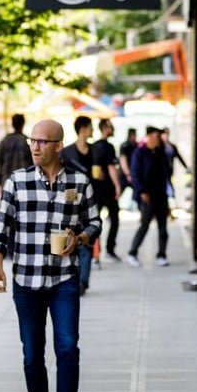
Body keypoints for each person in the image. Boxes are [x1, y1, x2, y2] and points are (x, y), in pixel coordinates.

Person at [0, 119, 100, 392]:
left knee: (67, 348)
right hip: (26, 280)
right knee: (32, 353)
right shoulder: (17, 182)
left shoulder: (79, 181)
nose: (34, 147)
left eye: (42, 141)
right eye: (32, 141)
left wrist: (79, 237)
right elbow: (0, 227)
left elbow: (95, 221)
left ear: (57, 146)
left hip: (64, 278)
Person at [60, 116, 97, 292]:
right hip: (73, 200)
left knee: (89, 235)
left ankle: (83, 280)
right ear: (83, 128)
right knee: (73, 235)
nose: (93, 130)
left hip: (93, 197)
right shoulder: (67, 153)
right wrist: (70, 202)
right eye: (91, 127)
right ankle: (73, 276)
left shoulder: (95, 150)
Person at [126, 126, 171, 267]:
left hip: (161, 195)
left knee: (163, 227)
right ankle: (132, 252)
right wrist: (142, 192)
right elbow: (135, 173)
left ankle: (162, 254)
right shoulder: (140, 153)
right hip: (147, 196)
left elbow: (167, 171)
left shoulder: (161, 152)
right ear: (150, 137)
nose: (160, 139)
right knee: (144, 225)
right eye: (158, 136)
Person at [90, 118, 122, 261]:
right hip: (108, 189)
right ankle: (109, 249)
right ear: (104, 128)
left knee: (95, 221)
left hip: (95, 190)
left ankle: (95, 252)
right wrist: (117, 185)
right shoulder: (108, 147)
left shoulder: (93, 146)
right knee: (114, 218)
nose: (113, 128)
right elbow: (111, 167)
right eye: (110, 126)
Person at [0, 113, 32, 188]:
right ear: (23, 124)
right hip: (24, 181)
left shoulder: (5, 141)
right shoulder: (27, 141)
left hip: (7, 181)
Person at [118, 128, 138, 207]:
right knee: (119, 191)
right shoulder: (126, 146)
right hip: (126, 174)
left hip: (132, 173)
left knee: (138, 191)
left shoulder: (135, 145)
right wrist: (128, 174)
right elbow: (123, 160)